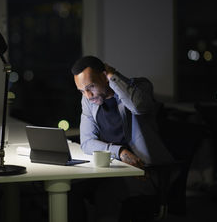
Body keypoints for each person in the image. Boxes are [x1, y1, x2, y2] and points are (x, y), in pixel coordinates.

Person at [70, 55, 174, 222]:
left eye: (91, 87)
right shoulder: (88, 100)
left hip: (143, 171)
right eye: (82, 91)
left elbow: (139, 107)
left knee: (106, 194)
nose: (88, 95)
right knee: (72, 191)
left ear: (104, 76)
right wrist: (120, 151)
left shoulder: (140, 87)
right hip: (112, 167)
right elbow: (87, 142)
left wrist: (113, 75)